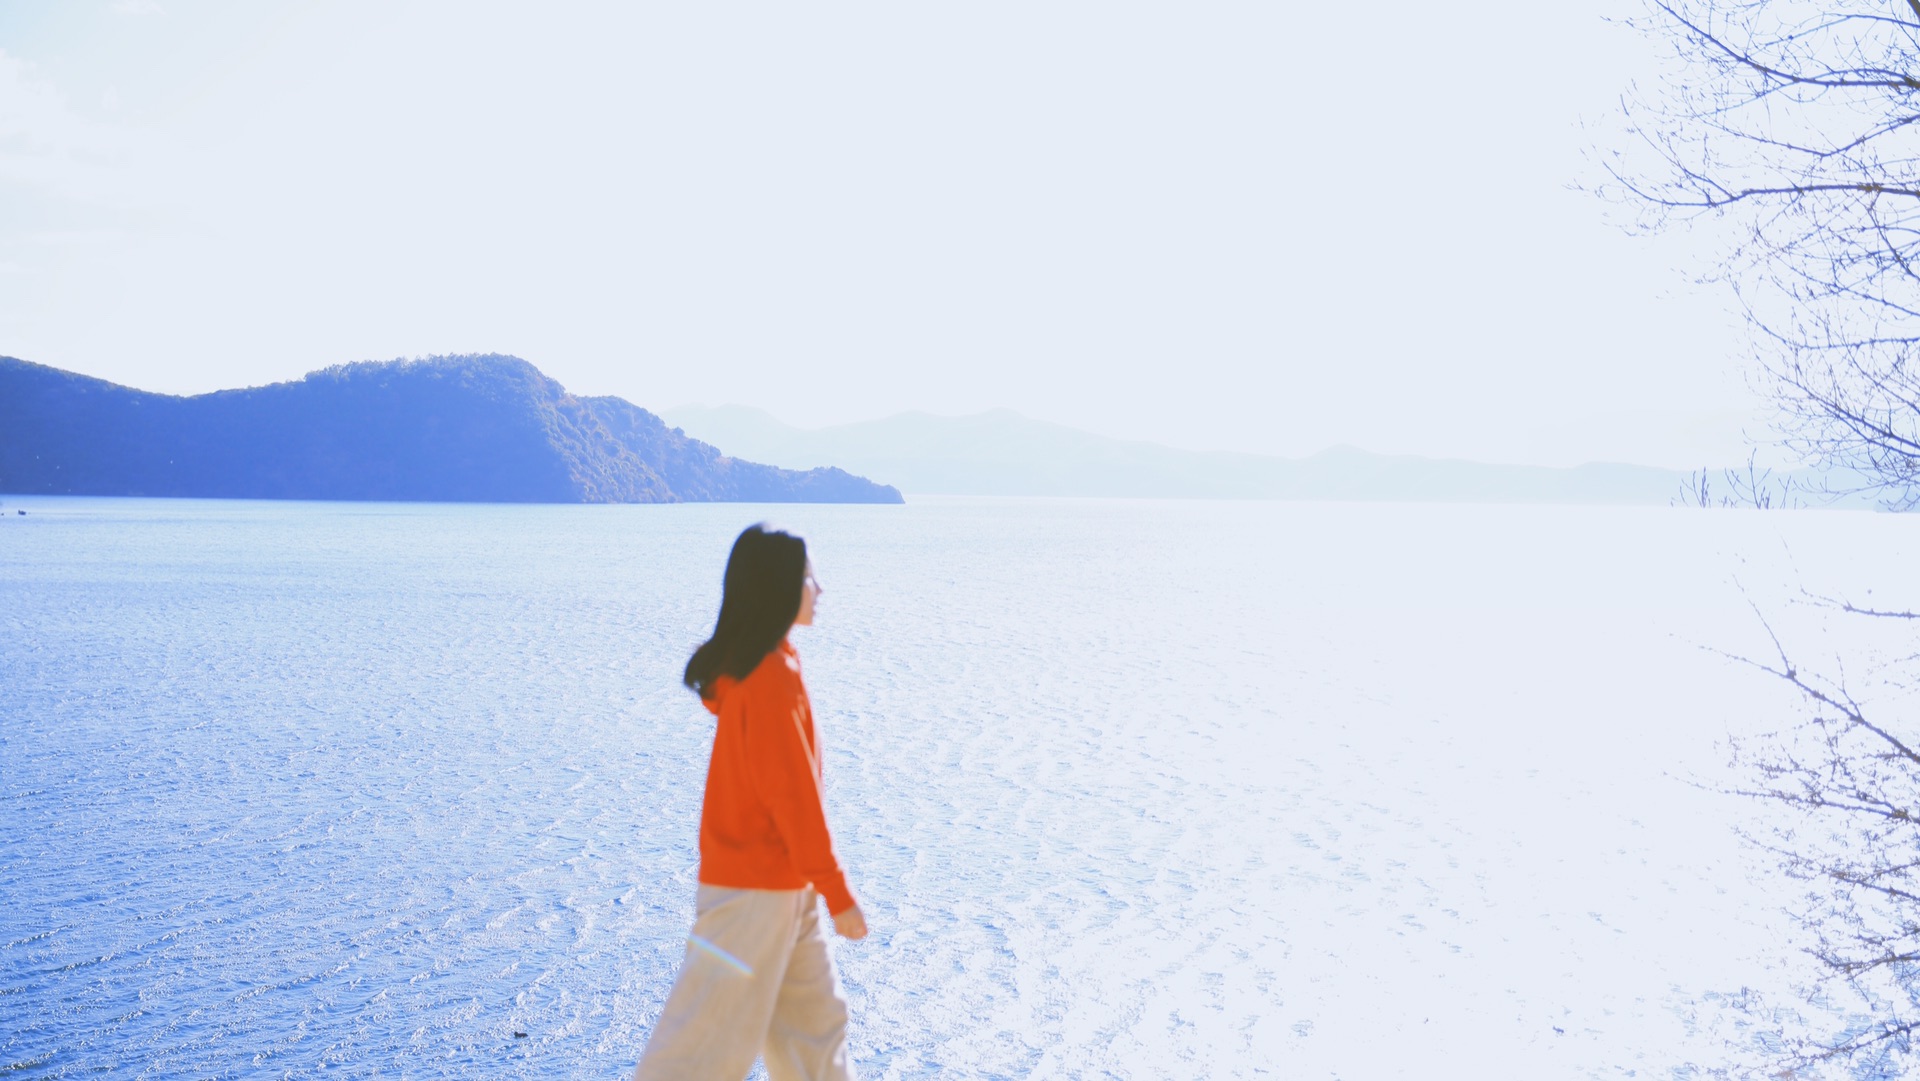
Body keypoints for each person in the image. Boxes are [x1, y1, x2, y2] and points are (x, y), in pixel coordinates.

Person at [633, 524, 867, 1081]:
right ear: (778, 587)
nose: (819, 589)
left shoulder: (768, 667)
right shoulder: (769, 677)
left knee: (816, 1036)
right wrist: (837, 892)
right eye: (808, 577)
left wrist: (818, 888)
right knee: (697, 1055)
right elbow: (793, 796)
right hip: (754, 892)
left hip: (782, 889)